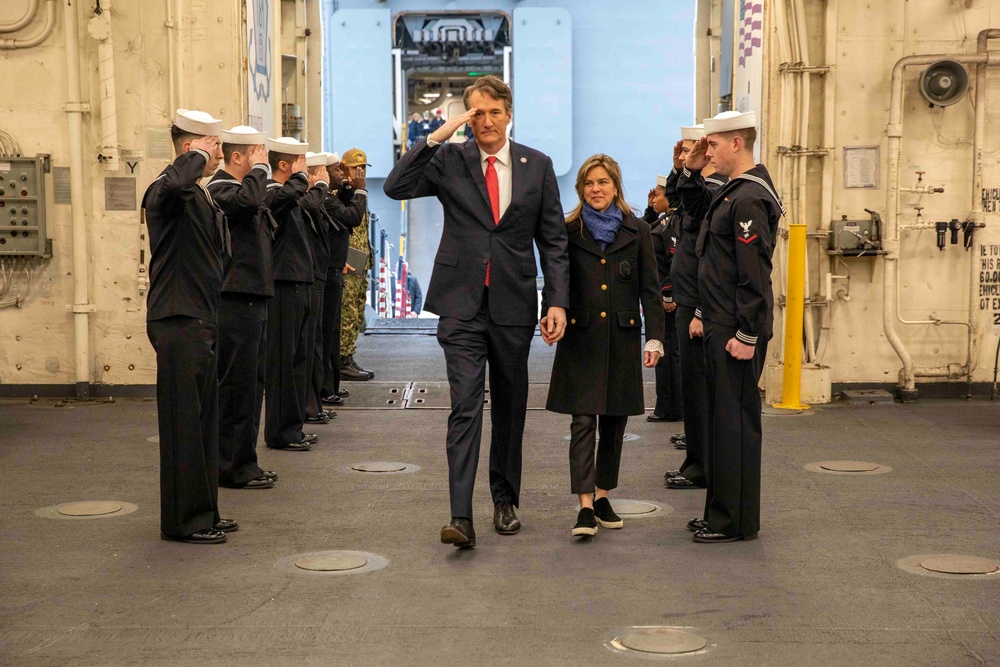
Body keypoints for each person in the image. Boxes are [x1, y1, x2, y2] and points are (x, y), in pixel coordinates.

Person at [384, 74, 570, 548]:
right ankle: (460, 516)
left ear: (509, 114)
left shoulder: (538, 165)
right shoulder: (450, 158)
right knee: (465, 405)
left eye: (494, 112)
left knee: (509, 407)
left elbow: (553, 241)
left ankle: (505, 501)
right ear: (467, 117)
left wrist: (558, 302)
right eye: (476, 113)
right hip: (460, 304)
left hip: (513, 302)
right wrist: (437, 135)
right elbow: (395, 186)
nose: (486, 121)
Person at [545, 154, 664, 537]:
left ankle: (602, 495)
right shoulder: (567, 230)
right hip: (580, 338)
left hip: (622, 338)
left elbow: (649, 289)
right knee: (582, 422)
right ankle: (583, 506)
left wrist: (656, 338)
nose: (596, 189)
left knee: (614, 421)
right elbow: (556, 280)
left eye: (603, 182)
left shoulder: (638, 230)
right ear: (581, 189)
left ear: (616, 186)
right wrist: (550, 311)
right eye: (589, 184)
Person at [689, 110, 784, 543]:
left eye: (712, 144)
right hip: (721, 324)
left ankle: (733, 521)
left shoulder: (747, 199)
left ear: (736, 144)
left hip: (735, 330)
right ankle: (720, 512)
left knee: (735, 425)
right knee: (722, 421)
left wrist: (746, 335)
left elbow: (753, 275)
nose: (708, 152)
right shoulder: (732, 193)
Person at [143, 109, 235, 544]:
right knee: (184, 424)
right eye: (213, 145)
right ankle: (184, 521)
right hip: (177, 318)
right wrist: (198, 154)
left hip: (200, 315)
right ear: (190, 148)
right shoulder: (165, 189)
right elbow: (178, 182)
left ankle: (206, 511)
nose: (219, 153)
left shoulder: (197, 194)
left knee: (202, 422)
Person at [207, 124, 278, 490]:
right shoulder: (220, 189)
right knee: (236, 386)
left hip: (253, 297)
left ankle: (245, 462)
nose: (263, 161)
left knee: (252, 385)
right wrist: (261, 171)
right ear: (238, 157)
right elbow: (248, 202)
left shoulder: (244, 189)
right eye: (257, 154)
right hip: (234, 300)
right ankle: (230, 466)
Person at [664, 125, 729, 492]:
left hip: (698, 303)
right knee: (692, 389)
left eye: (696, 151)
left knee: (701, 391)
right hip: (688, 298)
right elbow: (681, 199)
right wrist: (679, 170)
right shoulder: (702, 190)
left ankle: (702, 465)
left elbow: (714, 259)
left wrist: (702, 312)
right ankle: (695, 461)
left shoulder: (717, 190)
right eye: (687, 151)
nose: (689, 157)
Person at [262, 137, 326, 452]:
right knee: (282, 362)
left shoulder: (291, 195)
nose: (308, 172)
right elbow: (285, 198)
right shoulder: (274, 192)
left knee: (297, 358)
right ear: (286, 165)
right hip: (283, 282)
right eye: (300, 163)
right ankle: (280, 431)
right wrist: (304, 179)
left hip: (298, 280)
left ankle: (292, 427)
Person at [320, 152, 367, 406]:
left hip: (336, 267)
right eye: (339, 170)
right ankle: (325, 388)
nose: (345, 174)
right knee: (327, 333)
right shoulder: (324, 200)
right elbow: (350, 217)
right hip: (327, 273)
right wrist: (360, 192)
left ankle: (331, 386)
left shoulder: (332, 197)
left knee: (332, 332)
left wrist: (350, 189)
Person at [300, 152, 338, 426]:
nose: (327, 176)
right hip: (308, 278)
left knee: (318, 342)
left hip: (317, 276)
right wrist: (320, 187)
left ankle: (315, 401)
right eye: (322, 172)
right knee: (309, 345)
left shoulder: (317, 201)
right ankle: (309, 405)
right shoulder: (304, 200)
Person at [644, 174, 684, 424]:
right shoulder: (663, 222)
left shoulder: (672, 226)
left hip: (668, 302)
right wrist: (650, 209)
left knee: (670, 356)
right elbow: (646, 231)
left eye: (657, 195)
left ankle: (671, 407)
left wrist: (667, 296)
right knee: (666, 355)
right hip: (663, 298)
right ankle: (666, 405)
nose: (654, 199)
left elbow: (670, 264)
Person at [338, 148, 376, 382]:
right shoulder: (340, 192)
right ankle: (341, 359)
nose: (360, 172)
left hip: (360, 260)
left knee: (357, 308)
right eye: (355, 167)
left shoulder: (359, 192)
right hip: (348, 261)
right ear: (344, 168)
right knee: (347, 311)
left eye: (363, 167)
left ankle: (348, 355)